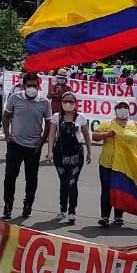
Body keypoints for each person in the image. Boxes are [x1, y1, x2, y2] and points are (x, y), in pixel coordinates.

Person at [1, 71, 52, 220]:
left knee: (31, 178)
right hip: (15, 144)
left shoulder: (44, 102)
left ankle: (28, 204)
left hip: (33, 147)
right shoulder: (15, 98)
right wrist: (7, 135)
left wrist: (42, 142)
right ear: (23, 86)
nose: (32, 88)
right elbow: (6, 116)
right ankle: (8, 204)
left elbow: (49, 123)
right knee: (10, 176)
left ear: (38, 86)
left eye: (34, 85)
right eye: (29, 85)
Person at [93, 99, 137, 228]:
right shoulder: (108, 123)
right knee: (107, 190)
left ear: (128, 110)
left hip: (126, 165)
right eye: (120, 107)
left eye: (125, 107)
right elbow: (95, 136)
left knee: (122, 190)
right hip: (108, 163)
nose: (122, 109)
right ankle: (105, 216)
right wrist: (106, 134)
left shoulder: (135, 125)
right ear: (115, 110)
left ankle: (119, 216)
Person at [50, 89, 91, 224]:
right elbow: (51, 135)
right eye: (65, 101)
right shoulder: (56, 117)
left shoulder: (81, 118)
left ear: (75, 103)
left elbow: (86, 136)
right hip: (60, 155)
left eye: (71, 101)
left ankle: (72, 212)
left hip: (76, 155)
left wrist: (89, 152)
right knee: (63, 183)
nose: (68, 104)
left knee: (72, 183)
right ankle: (62, 210)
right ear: (61, 102)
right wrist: (49, 151)